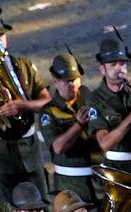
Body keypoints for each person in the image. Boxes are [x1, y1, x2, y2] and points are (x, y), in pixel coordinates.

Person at [0, 11, 51, 205]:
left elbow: (47, 101)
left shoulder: (24, 66)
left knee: (40, 204)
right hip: (0, 152)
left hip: (29, 148)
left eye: (1, 35)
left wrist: (23, 106)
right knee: (8, 211)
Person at [86, 37, 131, 177]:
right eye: (113, 65)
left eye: (122, 64)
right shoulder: (95, 100)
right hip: (119, 171)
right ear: (102, 69)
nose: (119, 69)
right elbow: (104, 144)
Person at [39, 51, 102, 203]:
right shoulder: (49, 112)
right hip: (72, 185)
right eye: (67, 81)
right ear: (55, 82)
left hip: (98, 182)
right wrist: (78, 125)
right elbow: (58, 147)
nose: (72, 85)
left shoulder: (87, 97)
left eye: (75, 80)